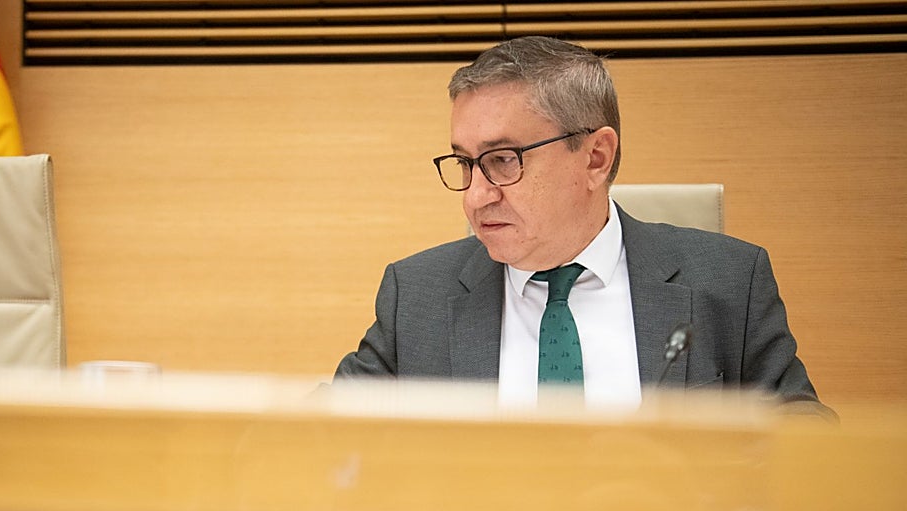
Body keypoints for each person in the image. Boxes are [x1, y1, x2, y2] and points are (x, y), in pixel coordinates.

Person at [334, 36, 833, 418]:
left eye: (504, 160)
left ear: (596, 157)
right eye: (465, 163)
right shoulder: (416, 296)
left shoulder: (728, 281)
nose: (476, 196)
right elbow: (321, 433)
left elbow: (803, 441)